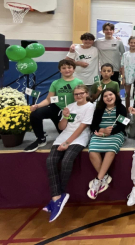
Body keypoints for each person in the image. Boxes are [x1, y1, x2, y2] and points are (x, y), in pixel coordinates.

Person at [43, 85, 94, 222]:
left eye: (81, 93)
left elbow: (82, 127)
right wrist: (65, 117)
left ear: (86, 94)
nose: (78, 96)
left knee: (66, 161)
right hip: (64, 135)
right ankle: (57, 197)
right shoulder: (70, 106)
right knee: (51, 161)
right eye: (76, 94)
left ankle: (57, 197)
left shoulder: (90, 106)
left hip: (80, 137)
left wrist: (67, 143)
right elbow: (61, 127)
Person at [25, 59, 84, 152]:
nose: (67, 70)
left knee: (64, 134)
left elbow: (82, 98)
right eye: (63, 68)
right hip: (57, 109)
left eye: (69, 67)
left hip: (71, 110)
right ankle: (41, 139)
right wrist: (37, 106)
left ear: (74, 69)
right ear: (60, 70)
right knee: (35, 114)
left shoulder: (79, 82)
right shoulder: (55, 83)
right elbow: (49, 99)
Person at [87, 88, 128, 199]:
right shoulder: (99, 109)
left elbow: (121, 126)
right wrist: (101, 130)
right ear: (102, 99)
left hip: (115, 133)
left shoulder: (121, 108)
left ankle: (98, 180)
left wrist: (107, 133)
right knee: (92, 152)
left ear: (115, 96)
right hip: (100, 133)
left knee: (111, 150)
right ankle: (105, 177)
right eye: (105, 96)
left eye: (111, 94)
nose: (109, 97)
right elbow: (93, 125)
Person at [121, 36, 135, 108]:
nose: (133, 44)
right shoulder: (125, 54)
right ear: (128, 43)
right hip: (127, 77)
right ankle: (127, 110)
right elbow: (122, 66)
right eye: (131, 42)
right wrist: (123, 78)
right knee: (126, 94)